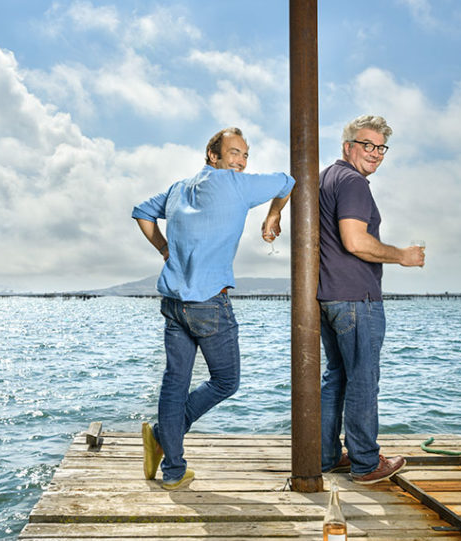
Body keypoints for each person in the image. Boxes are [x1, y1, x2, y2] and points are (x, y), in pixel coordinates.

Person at [262, 114, 423, 484]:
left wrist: (274, 214)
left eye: (381, 147)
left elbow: (288, 185)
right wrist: (403, 255)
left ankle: (326, 456)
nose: (376, 153)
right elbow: (355, 241)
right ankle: (367, 463)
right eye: (367, 145)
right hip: (356, 298)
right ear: (348, 146)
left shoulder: (325, 178)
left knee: (338, 378)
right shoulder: (353, 183)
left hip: (331, 298)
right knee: (364, 380)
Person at [133, 127, 294, 489]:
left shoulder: (179, 188)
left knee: (175, 382)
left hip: (174, 303)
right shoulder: (236, 185)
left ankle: (173, 470)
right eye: (234, 152)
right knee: (226, 380)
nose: (241, 161)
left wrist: (163, 248)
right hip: (208, 303)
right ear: (213, 155)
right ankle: (162, 434)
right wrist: (273, 217)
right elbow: (288, 181)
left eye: (246, 154)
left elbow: (142, 212)